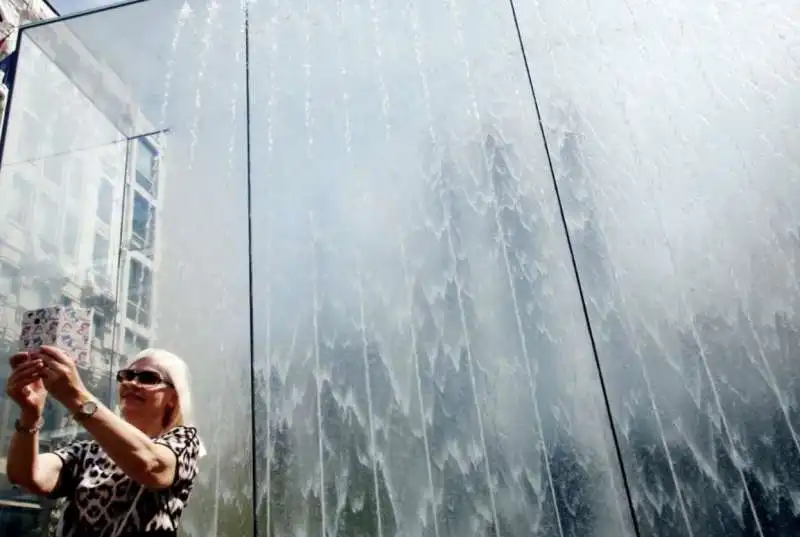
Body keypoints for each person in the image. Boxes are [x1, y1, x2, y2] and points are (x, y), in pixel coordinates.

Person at [4, 346, 204, 537]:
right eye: (126, 376)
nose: (131, 383)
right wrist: (29, 413)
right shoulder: (89, 451)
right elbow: (26, 475)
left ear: (173, 397)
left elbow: (151, 465)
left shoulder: (183, 441)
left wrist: (74, 395)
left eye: (148, 378)